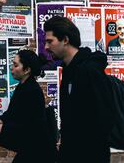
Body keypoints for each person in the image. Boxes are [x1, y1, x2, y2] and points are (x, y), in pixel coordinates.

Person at [43, 16, 114, 163]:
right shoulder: (69, 71)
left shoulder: (89, 71)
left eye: (50, 41)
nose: (46, 47)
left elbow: (104, 119)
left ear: (65, 40)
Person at [0, 50, 56, 163]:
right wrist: (0, 120)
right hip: (31, 148)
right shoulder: (22, 86)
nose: (12, 68)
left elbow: (31, 124)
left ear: (27, 70)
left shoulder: (32, 91)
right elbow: (13, 112)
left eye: (16, 65)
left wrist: (4, 128)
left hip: (39, 151)